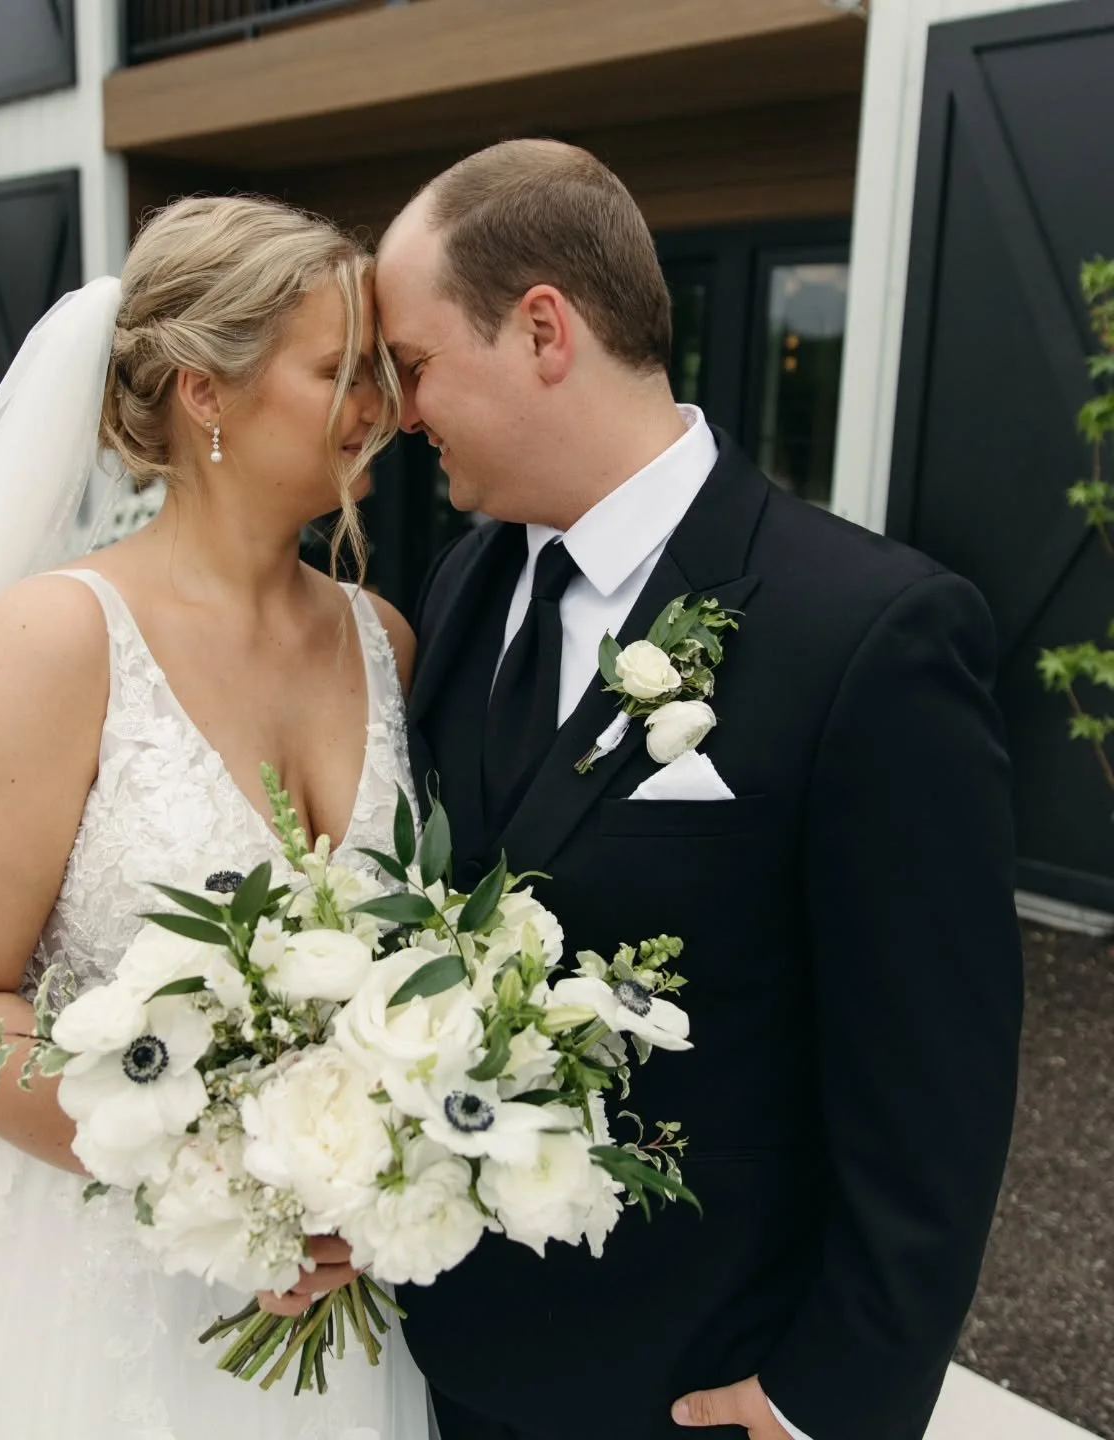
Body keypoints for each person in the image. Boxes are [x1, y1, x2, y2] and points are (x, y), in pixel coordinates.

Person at [374, 139, 1023, 1440]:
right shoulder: (462, 588)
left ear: (543, 330)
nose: (401, 409)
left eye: (415, 360)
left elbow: (935, 1090)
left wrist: (831, 1397)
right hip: (453, 1361)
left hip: (694, 1392)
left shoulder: (869, 632)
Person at [0, 196, 429, 1440]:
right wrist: (230, 1192)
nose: (378, 410)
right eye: (340, 372)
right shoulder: (52, 645)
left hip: (344, 1307)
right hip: (118, 1310)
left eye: (384, 374)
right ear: (206, 392)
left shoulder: (379, 637)